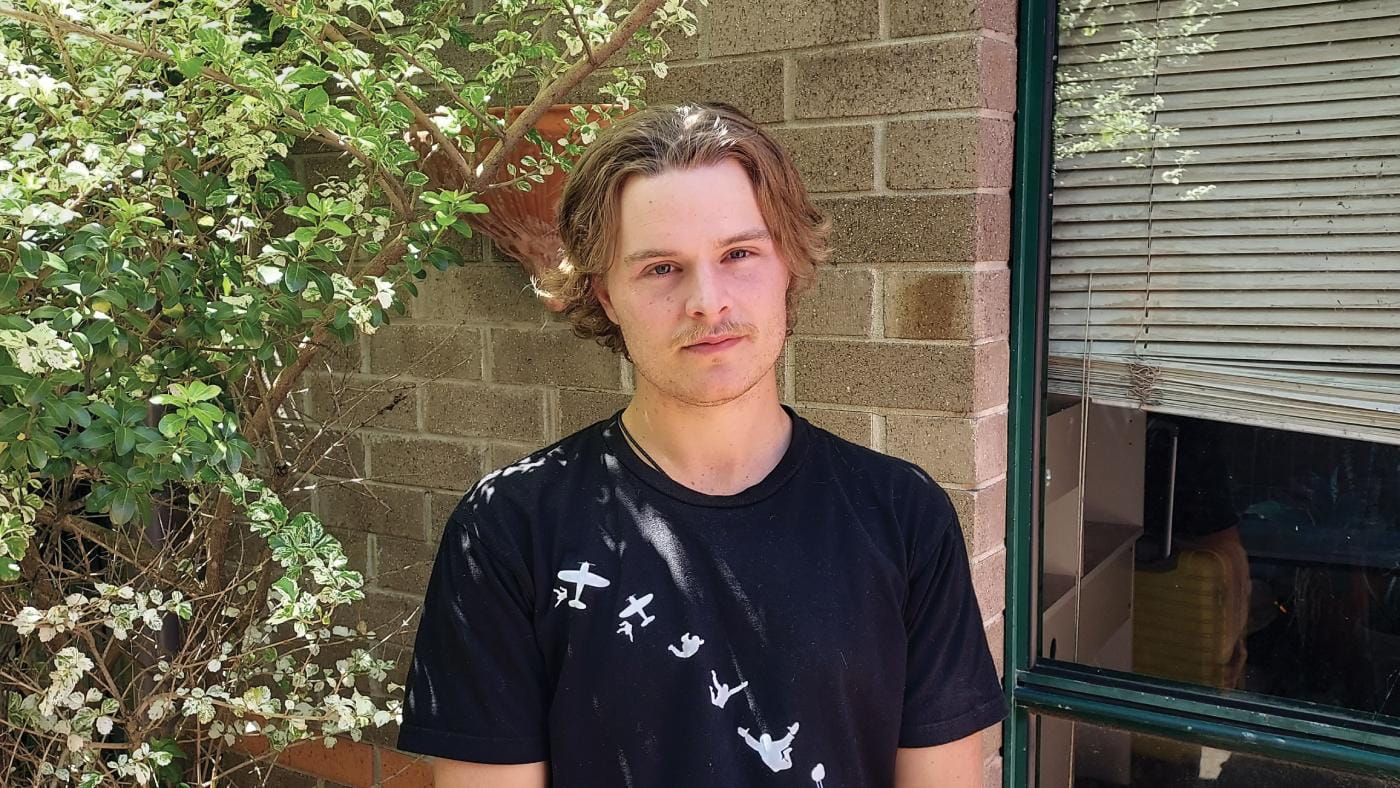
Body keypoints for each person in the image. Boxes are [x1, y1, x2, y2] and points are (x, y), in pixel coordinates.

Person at [395, 101, 1007, 787]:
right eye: (661, 269)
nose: (707, 301)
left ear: (789, 265)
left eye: (739, 254)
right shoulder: (509, 527)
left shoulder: (903, 516)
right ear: (604, 295)